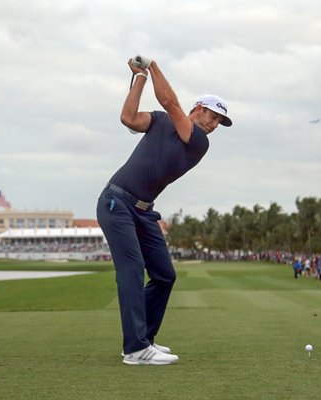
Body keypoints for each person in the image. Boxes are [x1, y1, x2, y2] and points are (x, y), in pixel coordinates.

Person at [96, 55, 232, 365]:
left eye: (218, 123)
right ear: (198, 108)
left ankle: (145, 340)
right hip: (116, 202)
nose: (213, 125)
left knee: (164, 275)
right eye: (212, 117)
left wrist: (152, 66)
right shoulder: (159, 121)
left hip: (143, 212)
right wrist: (140, 78)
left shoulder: (198, 142)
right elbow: (128, 118)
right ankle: (135, 349)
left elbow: (171, 103)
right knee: (131, 272)